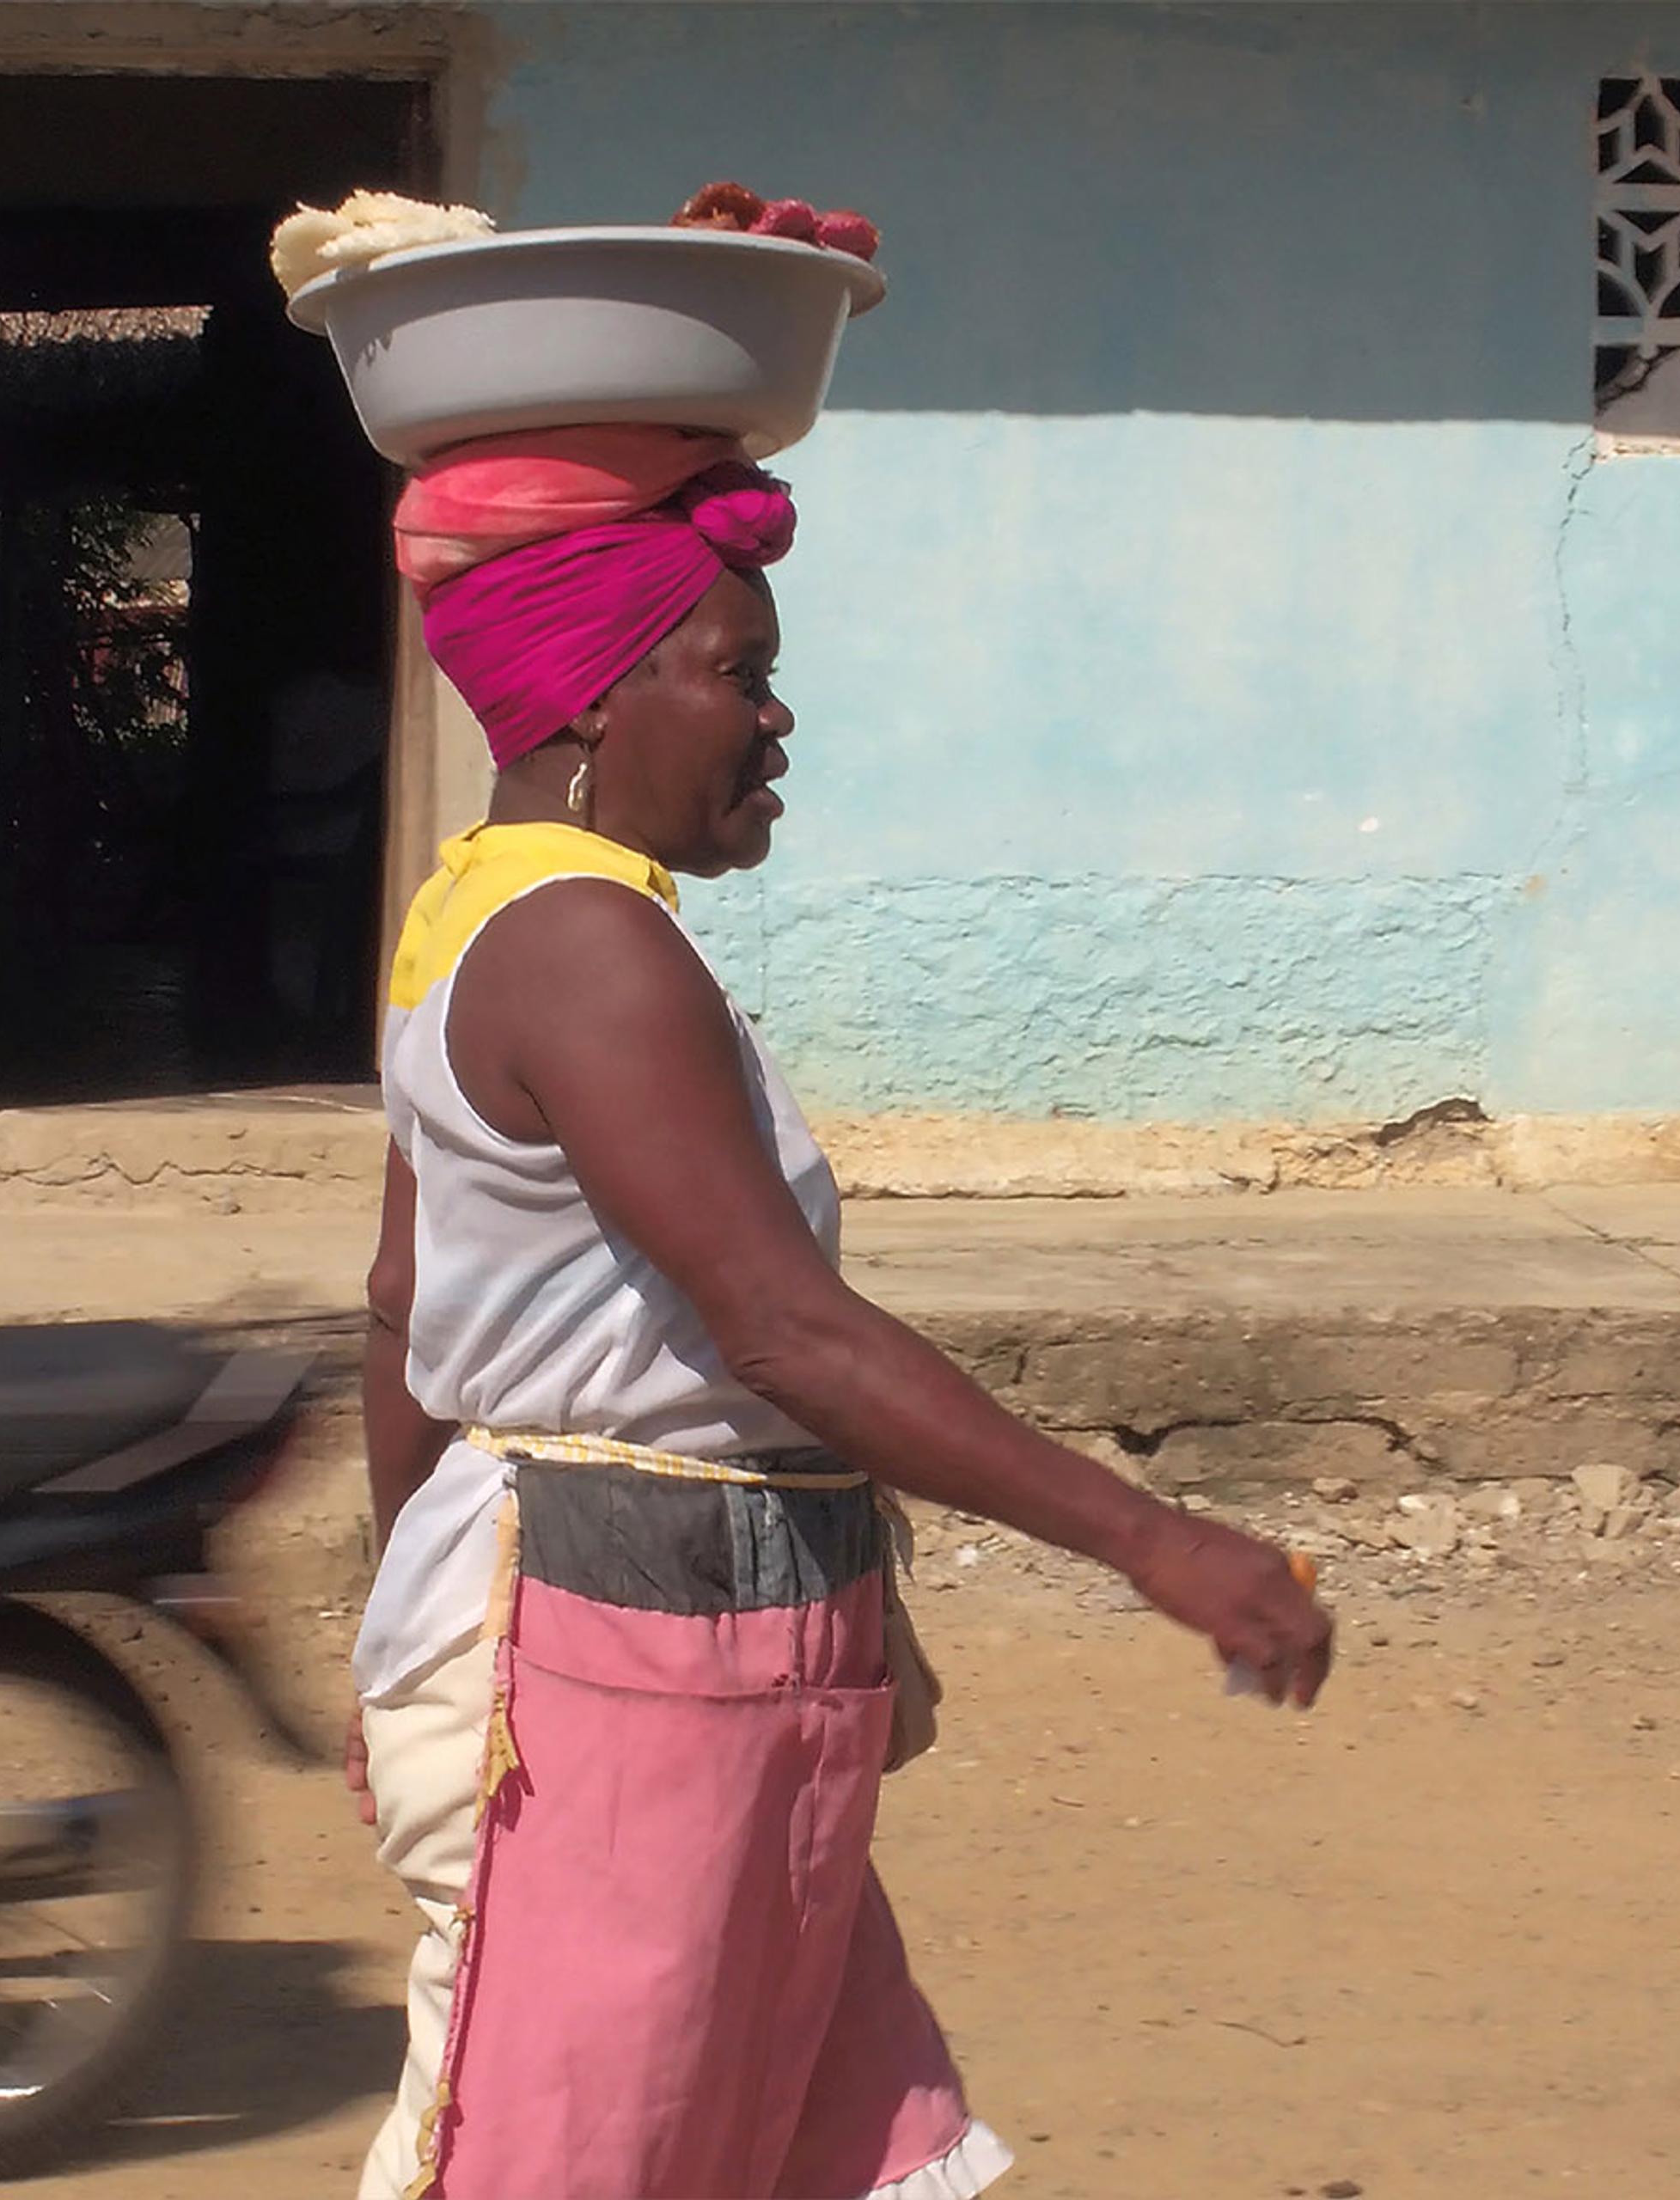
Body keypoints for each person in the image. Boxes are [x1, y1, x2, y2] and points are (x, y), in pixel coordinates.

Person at [350, 428, 1335, 2200]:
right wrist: (1148, 1535)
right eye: (742, 673)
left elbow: (402, 1308)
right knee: (568, 2153)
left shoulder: (475, 914)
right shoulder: (584, 944)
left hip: (633, 1640)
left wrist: (407, 1634)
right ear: (594, 696)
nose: (776, 720)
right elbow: (782, 1331)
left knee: (751, 2135)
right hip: (607, 1648)